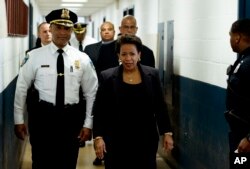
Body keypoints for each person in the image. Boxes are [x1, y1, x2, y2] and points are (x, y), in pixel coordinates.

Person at [14, 8, 98, 169]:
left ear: (72, 31)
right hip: (42, 120)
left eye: (67, 28)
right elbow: (21, 88)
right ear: (50, 28)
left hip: (71, 120)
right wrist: (19, 119)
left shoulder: (82, 58)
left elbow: (91, 93)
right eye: (58, 27)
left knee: (68, 163)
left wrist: (88, 124)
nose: (62, 32)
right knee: (41, 162)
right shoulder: (34, 56)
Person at [92, 35, 174, 169]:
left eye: (132, 54)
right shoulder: (107, 76)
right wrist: (98, 137)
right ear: (118, 55)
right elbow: (100, 109)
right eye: (124, 54)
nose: (128, 58)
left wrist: (167, 133)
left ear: (139, 55)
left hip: (145, 139)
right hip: (115, 139)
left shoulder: (152, 75)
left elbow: (160, 106)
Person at [84, 21, 115, 166]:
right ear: (100, 32)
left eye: (109, 29)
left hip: (115, 92)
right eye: (104, 30)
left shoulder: (120, 47)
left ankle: (109, 153)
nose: (107, 32)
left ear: (114, 32)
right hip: (97, 91)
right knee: (99, 123)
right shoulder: (90, 49)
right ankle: (100, 153)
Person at [225, 18, 250, 168]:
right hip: (239, 137)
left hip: (246, 141)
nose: (230, 40)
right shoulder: (243, 60)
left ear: (237, 37)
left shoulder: (248, 64)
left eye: (230, 35)